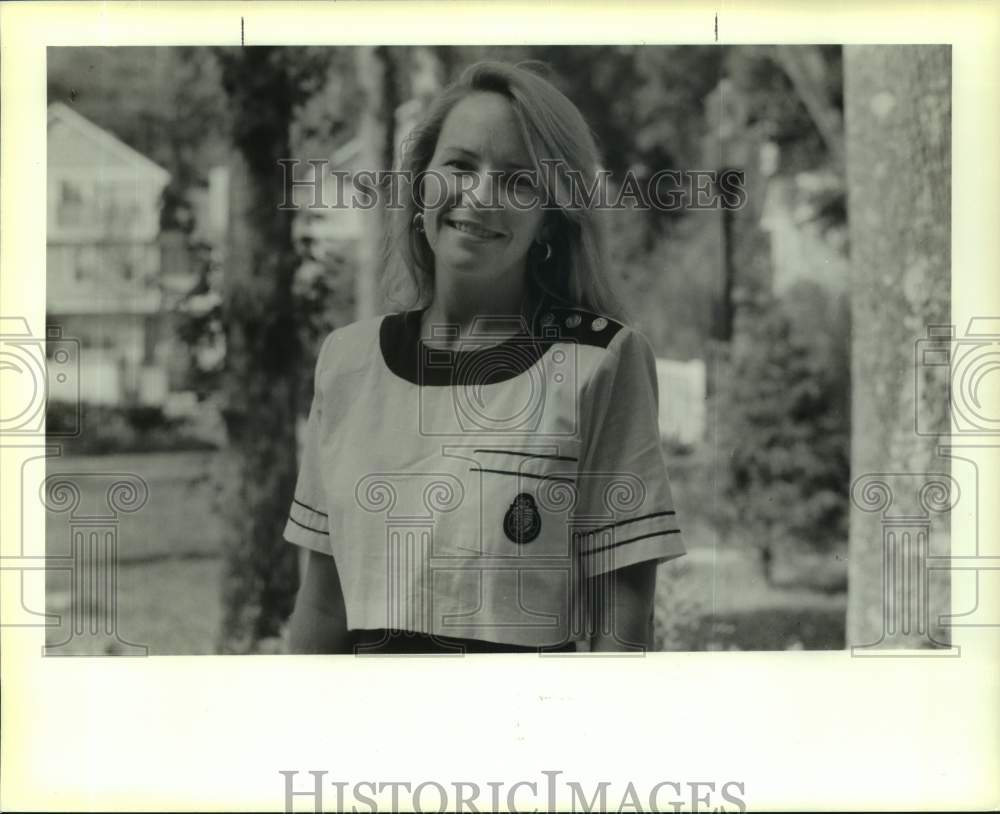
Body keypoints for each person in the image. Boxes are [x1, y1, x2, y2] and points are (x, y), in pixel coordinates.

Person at [284, 60, 686, 655]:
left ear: (550, 216)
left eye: (519, 180)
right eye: (459, 166)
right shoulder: (347, 363)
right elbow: (322, 606)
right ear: (421, 185)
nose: (480, 194)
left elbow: (620, 631)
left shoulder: (602, 360)